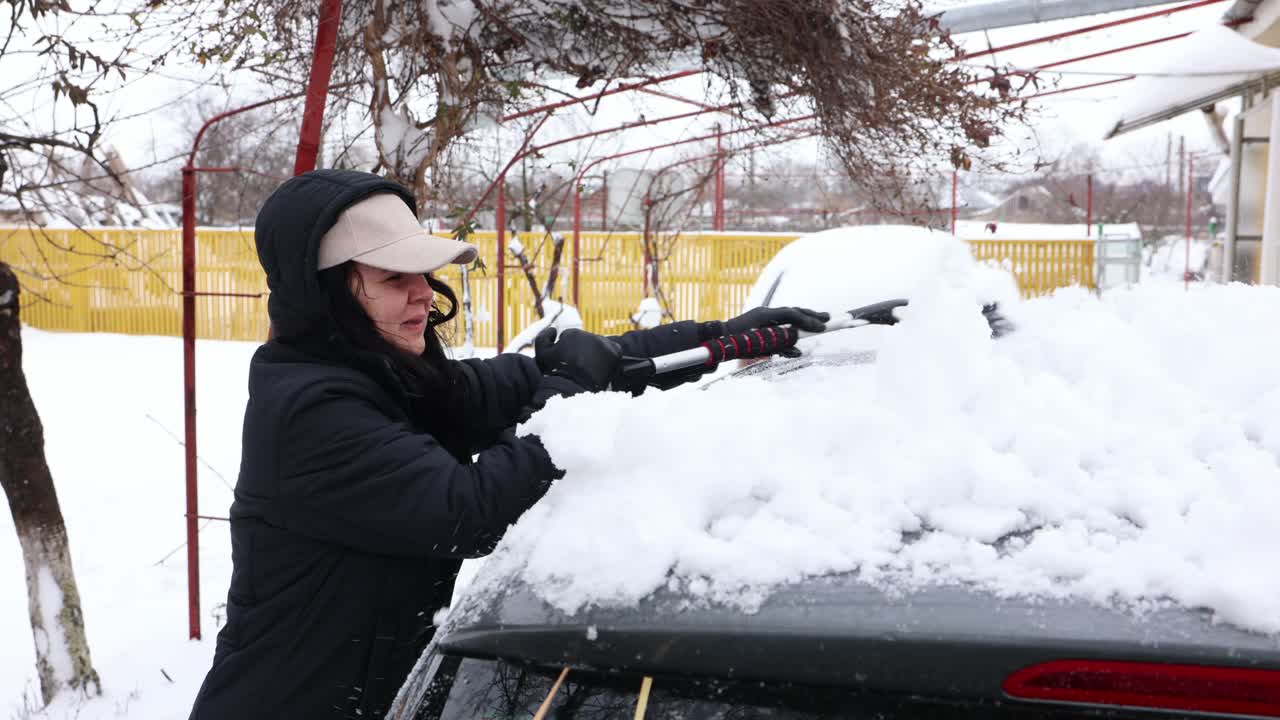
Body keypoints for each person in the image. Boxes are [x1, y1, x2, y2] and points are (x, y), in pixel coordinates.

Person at [187, 169, 828, 719]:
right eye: (392, 278)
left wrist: (721, 338)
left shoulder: (393, 374)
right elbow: (462, 512)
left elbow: (557, 375)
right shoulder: (309, 411)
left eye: (423, 273)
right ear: (327, 297)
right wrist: (569, 405)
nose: (421, 294)